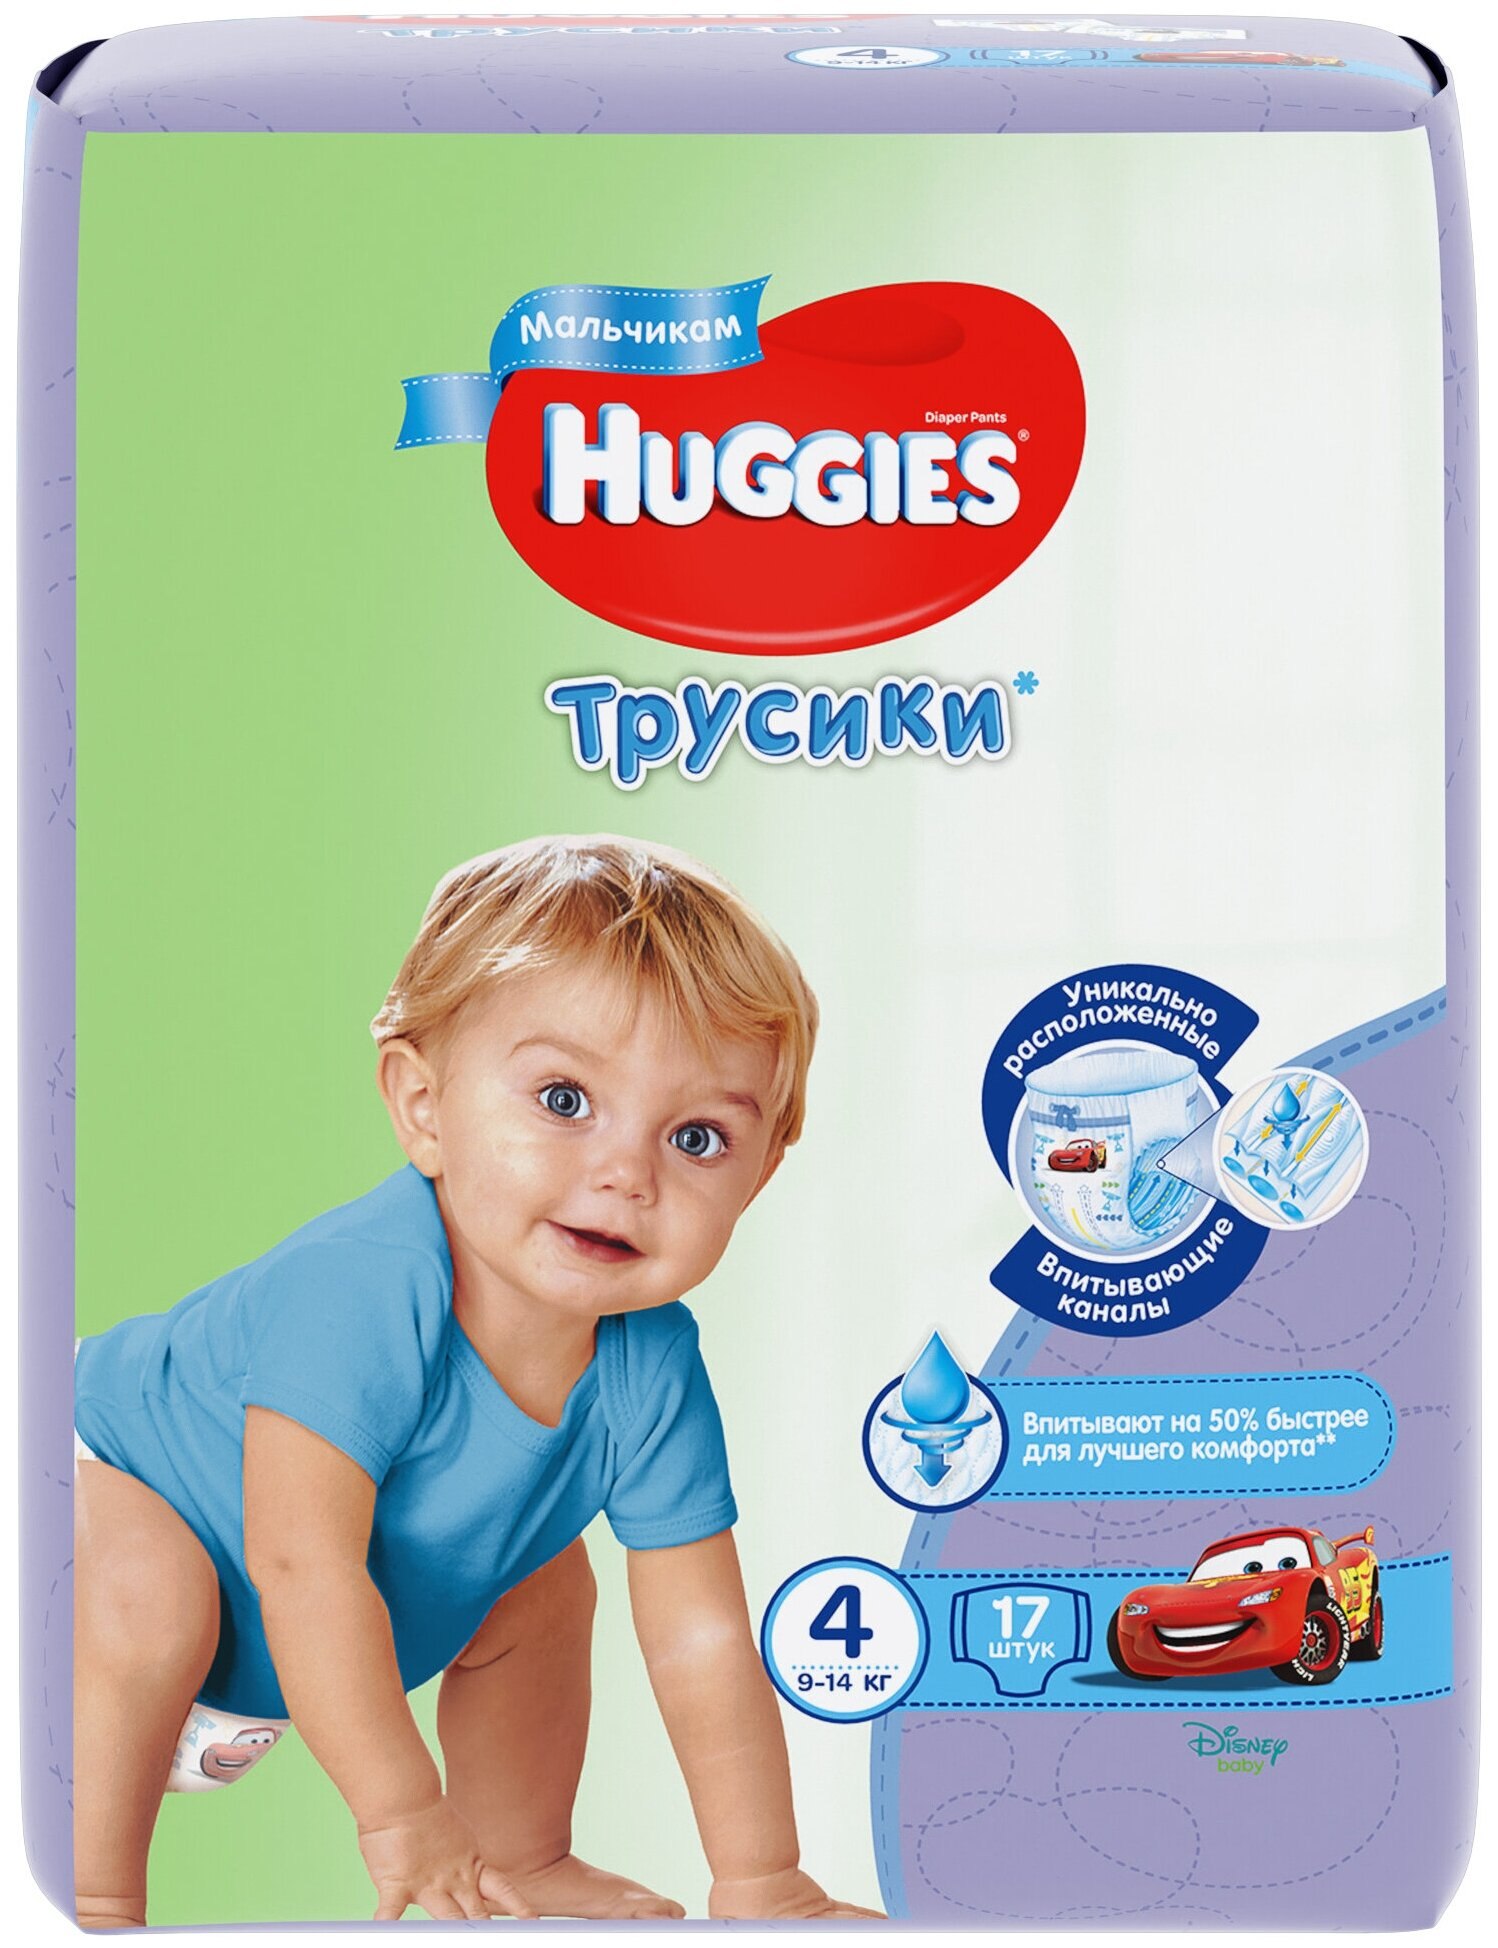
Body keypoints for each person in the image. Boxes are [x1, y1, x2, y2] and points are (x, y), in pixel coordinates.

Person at [74, 835, 875, 1928]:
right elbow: (299, 1561)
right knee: (148, 1586)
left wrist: (764, 1880)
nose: (626, 1173)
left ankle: (524, 1855)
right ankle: (86, 1899)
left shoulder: (650, 1366)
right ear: (423, 1106)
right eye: (564, 1098)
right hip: (82, 1519)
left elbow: (702, 1638)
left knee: (543, 1582)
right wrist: (404, 1813)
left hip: (265, 1660)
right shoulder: (360, 1286)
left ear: (761, 1173)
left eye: (697, 1138)